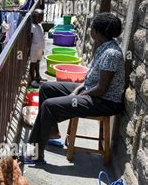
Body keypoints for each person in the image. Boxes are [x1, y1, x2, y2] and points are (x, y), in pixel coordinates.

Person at [26, 13, 125, 163]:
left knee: (49, 106)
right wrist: (79, 89)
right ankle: (51, 132)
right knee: (47, 88)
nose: (90, 29)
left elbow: (102, 89)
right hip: (93, 92)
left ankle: (36, 154)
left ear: (97, 32)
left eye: (92, 27)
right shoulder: (103, 46)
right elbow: (92, 80)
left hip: (104, 102)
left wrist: (78, 94)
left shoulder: (111, 53)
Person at [29, 9, 47, 87]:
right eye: (40, 17)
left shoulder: (39, 25)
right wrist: (29, 49)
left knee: (38, 62)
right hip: (34, 48)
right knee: (33, 63)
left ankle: (38, 76)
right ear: (35, 17)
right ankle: (32, 80)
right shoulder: (32, 26)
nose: (42, 19)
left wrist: (42, 49)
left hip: (39, 48)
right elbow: (30, 38)